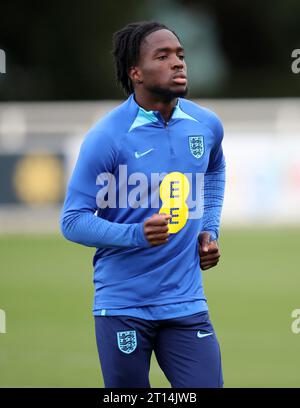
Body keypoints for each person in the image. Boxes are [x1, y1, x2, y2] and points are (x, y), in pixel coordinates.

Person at [60, 21, 226, 388]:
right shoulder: (107, 137)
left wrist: (208, 228)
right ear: (136, 72)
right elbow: (72, 220)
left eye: (180, 55)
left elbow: (215, 169)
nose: (178, 63)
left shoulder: (205, 125)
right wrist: (136, 234)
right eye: (163, 56)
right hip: (123, 306)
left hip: (186, 303)